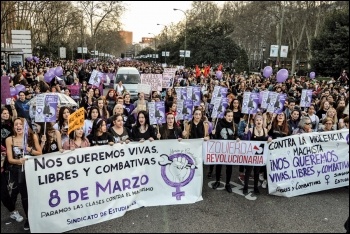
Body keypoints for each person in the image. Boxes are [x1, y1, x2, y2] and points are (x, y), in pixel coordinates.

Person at [5, 117, 42, 230]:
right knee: (25, 197)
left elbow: (40, 153)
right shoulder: (9, 139)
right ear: (14, 127)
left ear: (25, 126)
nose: (18, 126)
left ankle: (39, 217)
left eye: (20, 124)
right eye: (16, 124)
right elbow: (10, 159)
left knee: (35, 195)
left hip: (32, 170)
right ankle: (29, 219)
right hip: (18, 171)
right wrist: (18, 161)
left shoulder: (32, 136)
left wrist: (28, 149)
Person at [242, 114, 272, 195]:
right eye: (257, 120)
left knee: (257, 172)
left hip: (259, 155)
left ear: (263, 122)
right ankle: (245, 187)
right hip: (251, 155)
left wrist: (269, 137)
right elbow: (245, 141)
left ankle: (255, 187)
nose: (259, 121)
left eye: (260, 120)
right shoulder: (251, 130)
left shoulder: (265, 130)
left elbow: (267, 138)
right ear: (254, 121)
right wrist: (245, 133)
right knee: (248, 171)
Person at [211, 109, 239, 193]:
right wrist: (213, 134)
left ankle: (227, 184)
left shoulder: (234, 125)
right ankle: (217, 181)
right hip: (220, 149)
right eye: (229, 116)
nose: (230, 118)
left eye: (231, 116)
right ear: (224, 116)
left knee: (229, 167)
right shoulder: (219, 124)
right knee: (219, 166)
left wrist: (237, 137)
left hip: (230, 150)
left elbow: (236, 135)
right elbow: (215, 137)